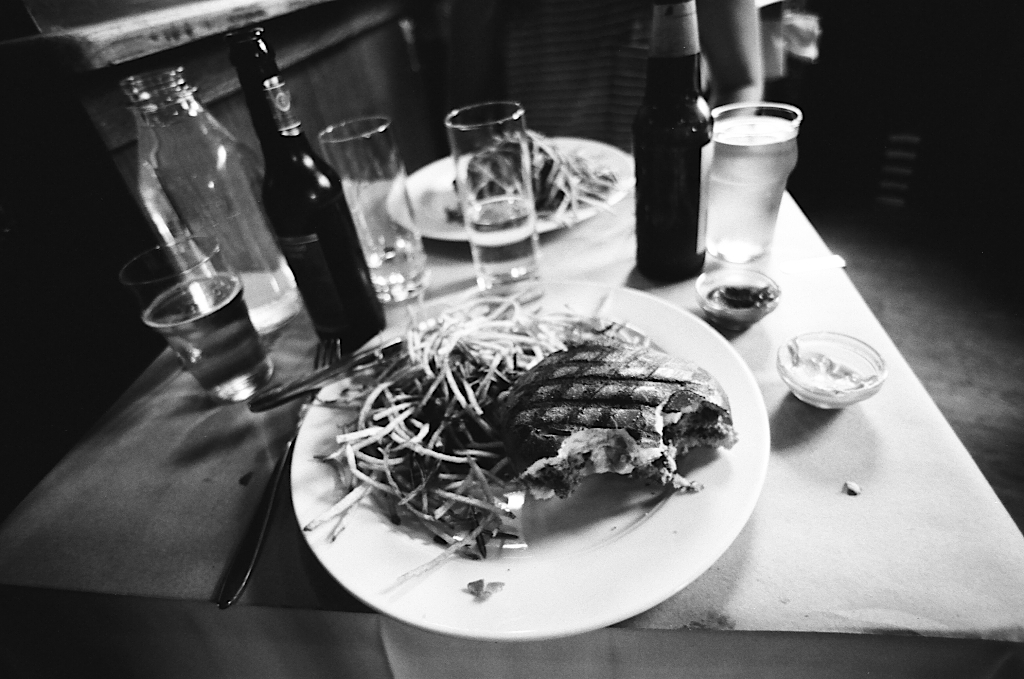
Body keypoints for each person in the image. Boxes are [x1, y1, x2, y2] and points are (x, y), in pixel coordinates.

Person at [447, 0, 764, 150]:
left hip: (657, 195)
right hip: (540, 210)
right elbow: (471, 110)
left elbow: (741, 83)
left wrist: (692, 172)